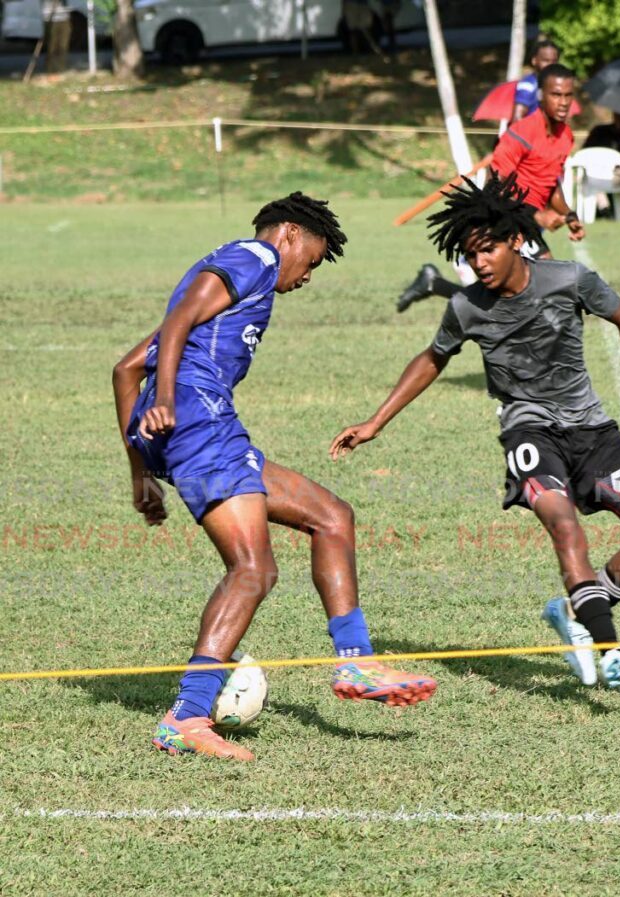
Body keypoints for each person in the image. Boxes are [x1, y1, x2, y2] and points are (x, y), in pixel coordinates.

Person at [113, 192, 436, 762]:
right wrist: (166, 399)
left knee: (332, 517)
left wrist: (142, 472)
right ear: (289, 233)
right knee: (253, 569)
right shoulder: (255, 258)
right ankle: (186, 716)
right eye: (311, 259)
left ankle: (355, 660)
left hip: (197, 427)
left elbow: (125, 366)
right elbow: (181, 318)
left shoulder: (246, 272)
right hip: (199, 421)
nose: (308, 273)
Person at [334, 175, 620, 698]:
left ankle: (581, 608)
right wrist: (375, 422)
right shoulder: (467, 307)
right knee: (565, 528)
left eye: (487, 249)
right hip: (529, 432)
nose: (480, 264)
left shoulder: (569, 280)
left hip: (592, 428)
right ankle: (609, 649)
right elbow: (433, 358)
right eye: (470, 256)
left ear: (516, 240)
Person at [397, 63, 584, 312]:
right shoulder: (520, 134)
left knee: (503, 303)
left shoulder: (566, 136)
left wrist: (568, 214)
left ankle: (434, 284)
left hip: (527, 224)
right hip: (506, 221)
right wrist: (535, 215)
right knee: (541, 289)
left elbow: (551, 184)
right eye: (556, 94)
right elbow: (496, 185)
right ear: (541, 95)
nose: (563, 102)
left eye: (568, 95)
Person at [512, 40, 561, 122]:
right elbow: (517, 119)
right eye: (546, 61)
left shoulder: (556, 86)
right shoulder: (528, 86)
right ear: (534, 61)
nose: (550, 65)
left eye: (554, 61)